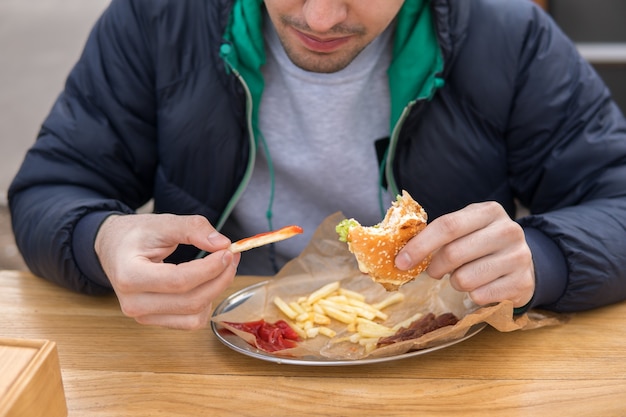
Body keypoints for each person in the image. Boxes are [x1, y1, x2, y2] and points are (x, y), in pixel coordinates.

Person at [8, 0, 626, 330]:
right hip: (210, 348)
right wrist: (101, 241)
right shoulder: (156, 19)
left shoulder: (511, 36)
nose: (321, 18)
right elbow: (51, 189)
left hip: (438, 362)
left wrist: (539, 261)